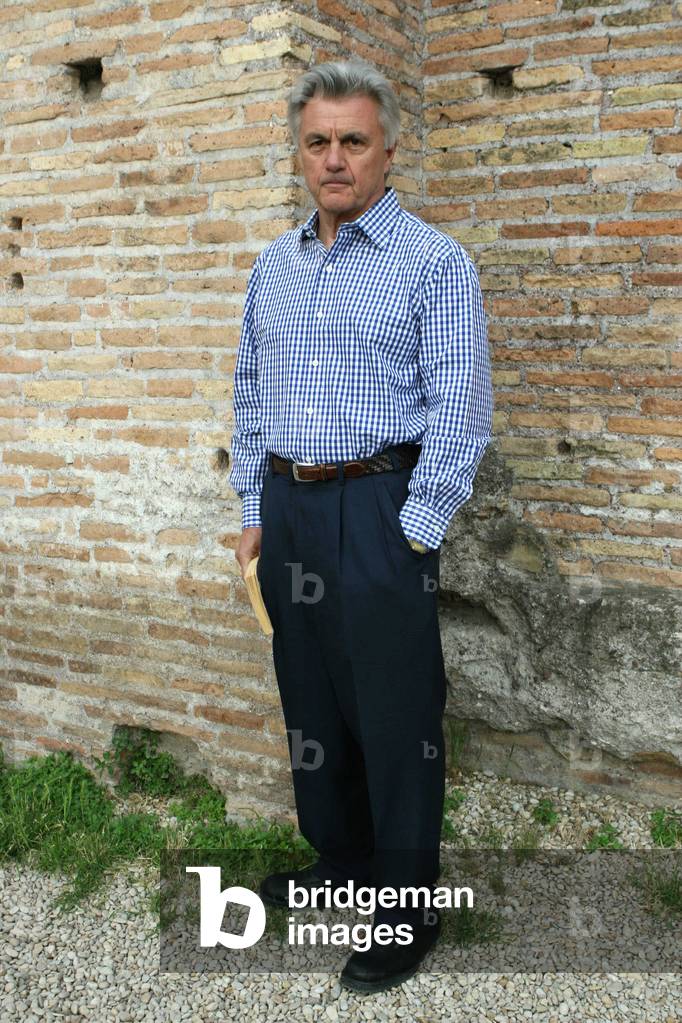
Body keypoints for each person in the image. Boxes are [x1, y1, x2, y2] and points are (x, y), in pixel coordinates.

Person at [228, 57, 493, 993]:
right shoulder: (274, 264)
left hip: (381, 507)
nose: (334, 159)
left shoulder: (433, 262)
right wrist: (256, 511)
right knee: (313, 703)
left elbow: (461, 412)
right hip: (291, 509)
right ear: (299, 153)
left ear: (387, 151)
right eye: (318, 141)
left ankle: (404, 908)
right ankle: (338, 861)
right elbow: (250, 393)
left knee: (394, 714)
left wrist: (413, 529)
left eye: (353, 141)